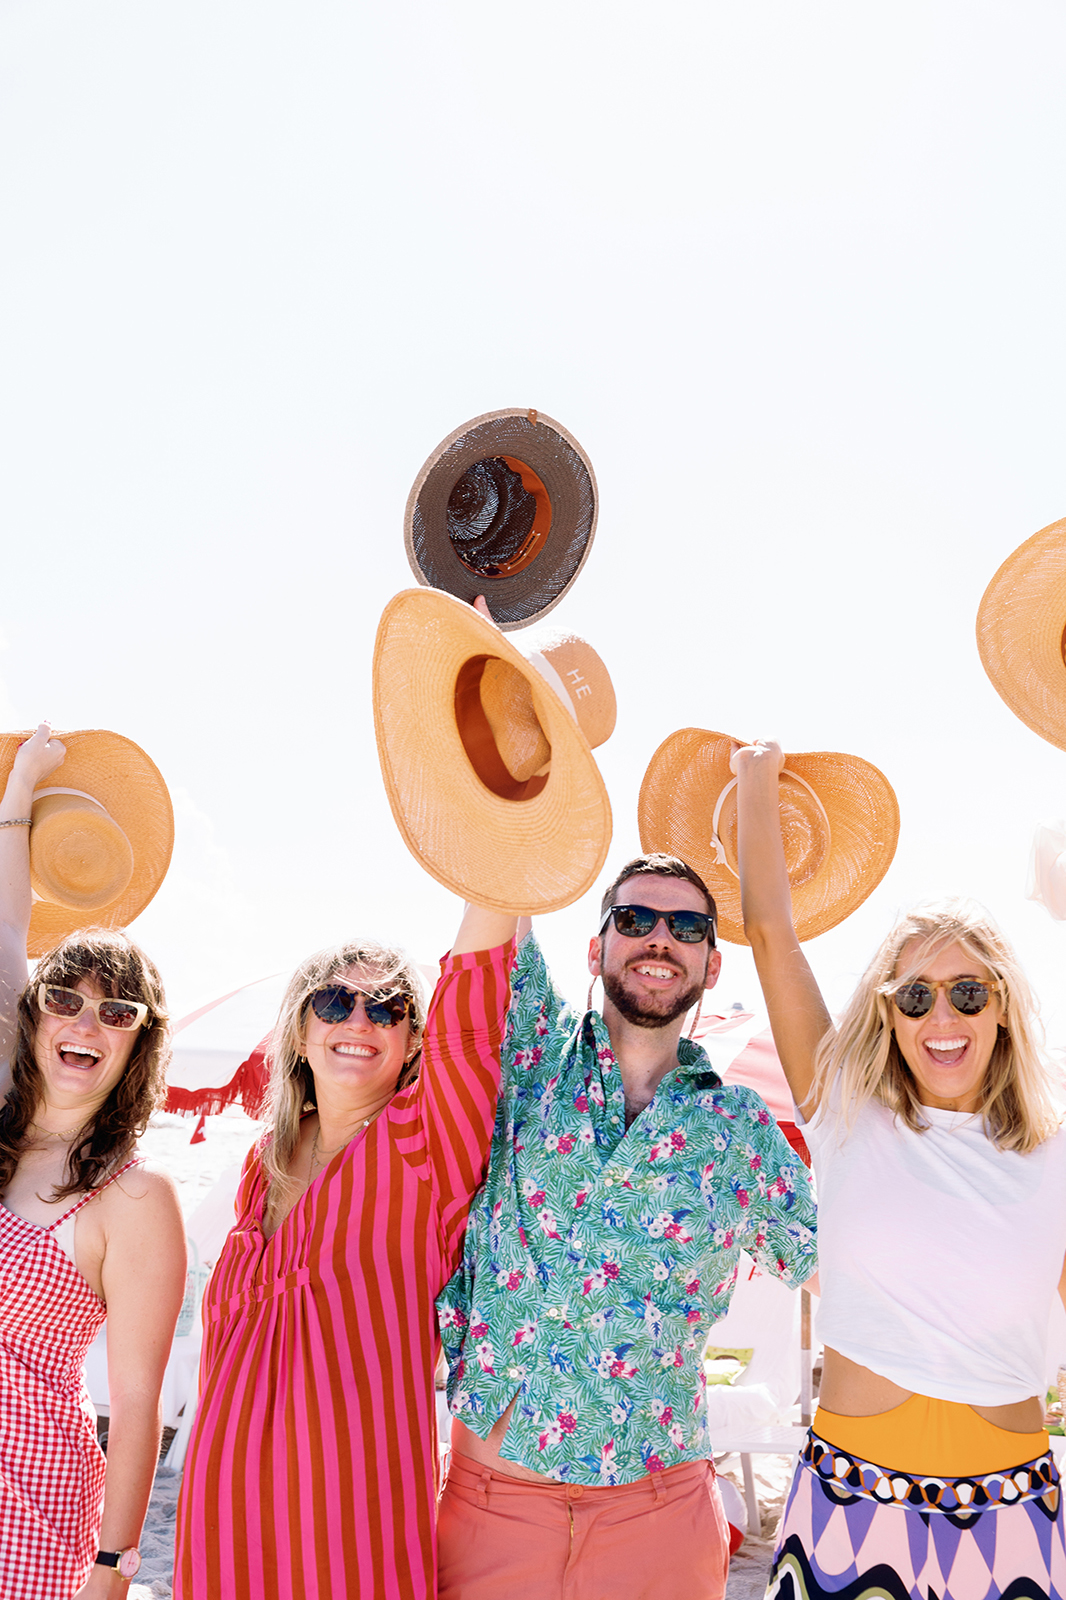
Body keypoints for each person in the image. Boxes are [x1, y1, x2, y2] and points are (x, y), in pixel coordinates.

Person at [733, 739, 1066, 1600]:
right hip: (853, 1499)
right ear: (891, 1013)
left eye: (967, 991)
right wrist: (755, 780)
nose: (942, 1015)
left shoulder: (1055, 1150)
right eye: (915, 996)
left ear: (1001, 1006)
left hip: (1010, 1514)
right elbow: (772, 936)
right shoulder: (847, 1113)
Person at [435, 852, 818, 1600]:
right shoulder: (531, 1052)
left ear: (711, 965)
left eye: (686, 926)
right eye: (634, 919)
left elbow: (837, 1264)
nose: (658, 939)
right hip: (493, 1508)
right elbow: (495, 863)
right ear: (596, 948)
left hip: (658, 1516)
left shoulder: (739, 1130)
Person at [172, 901, 519, 1600]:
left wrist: (500, 833)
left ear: (414, 1042)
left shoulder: (428, 1144)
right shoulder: (261, 1162)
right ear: (300, 1033)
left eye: (388, 1008)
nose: (359, 1021)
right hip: (224, 1505)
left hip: (353, 1516)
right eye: (334, 1001)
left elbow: (478, 1007)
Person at [0, 724, 187, 1599]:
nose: (85, 1023)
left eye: (117, 1013)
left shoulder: (133, 1198)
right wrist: (18, 802)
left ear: (138, 1044)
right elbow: (6, 935)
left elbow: (139, 1400)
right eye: (65, 1000)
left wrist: (116, 1565)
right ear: (35, 1017)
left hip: (35, 1504)